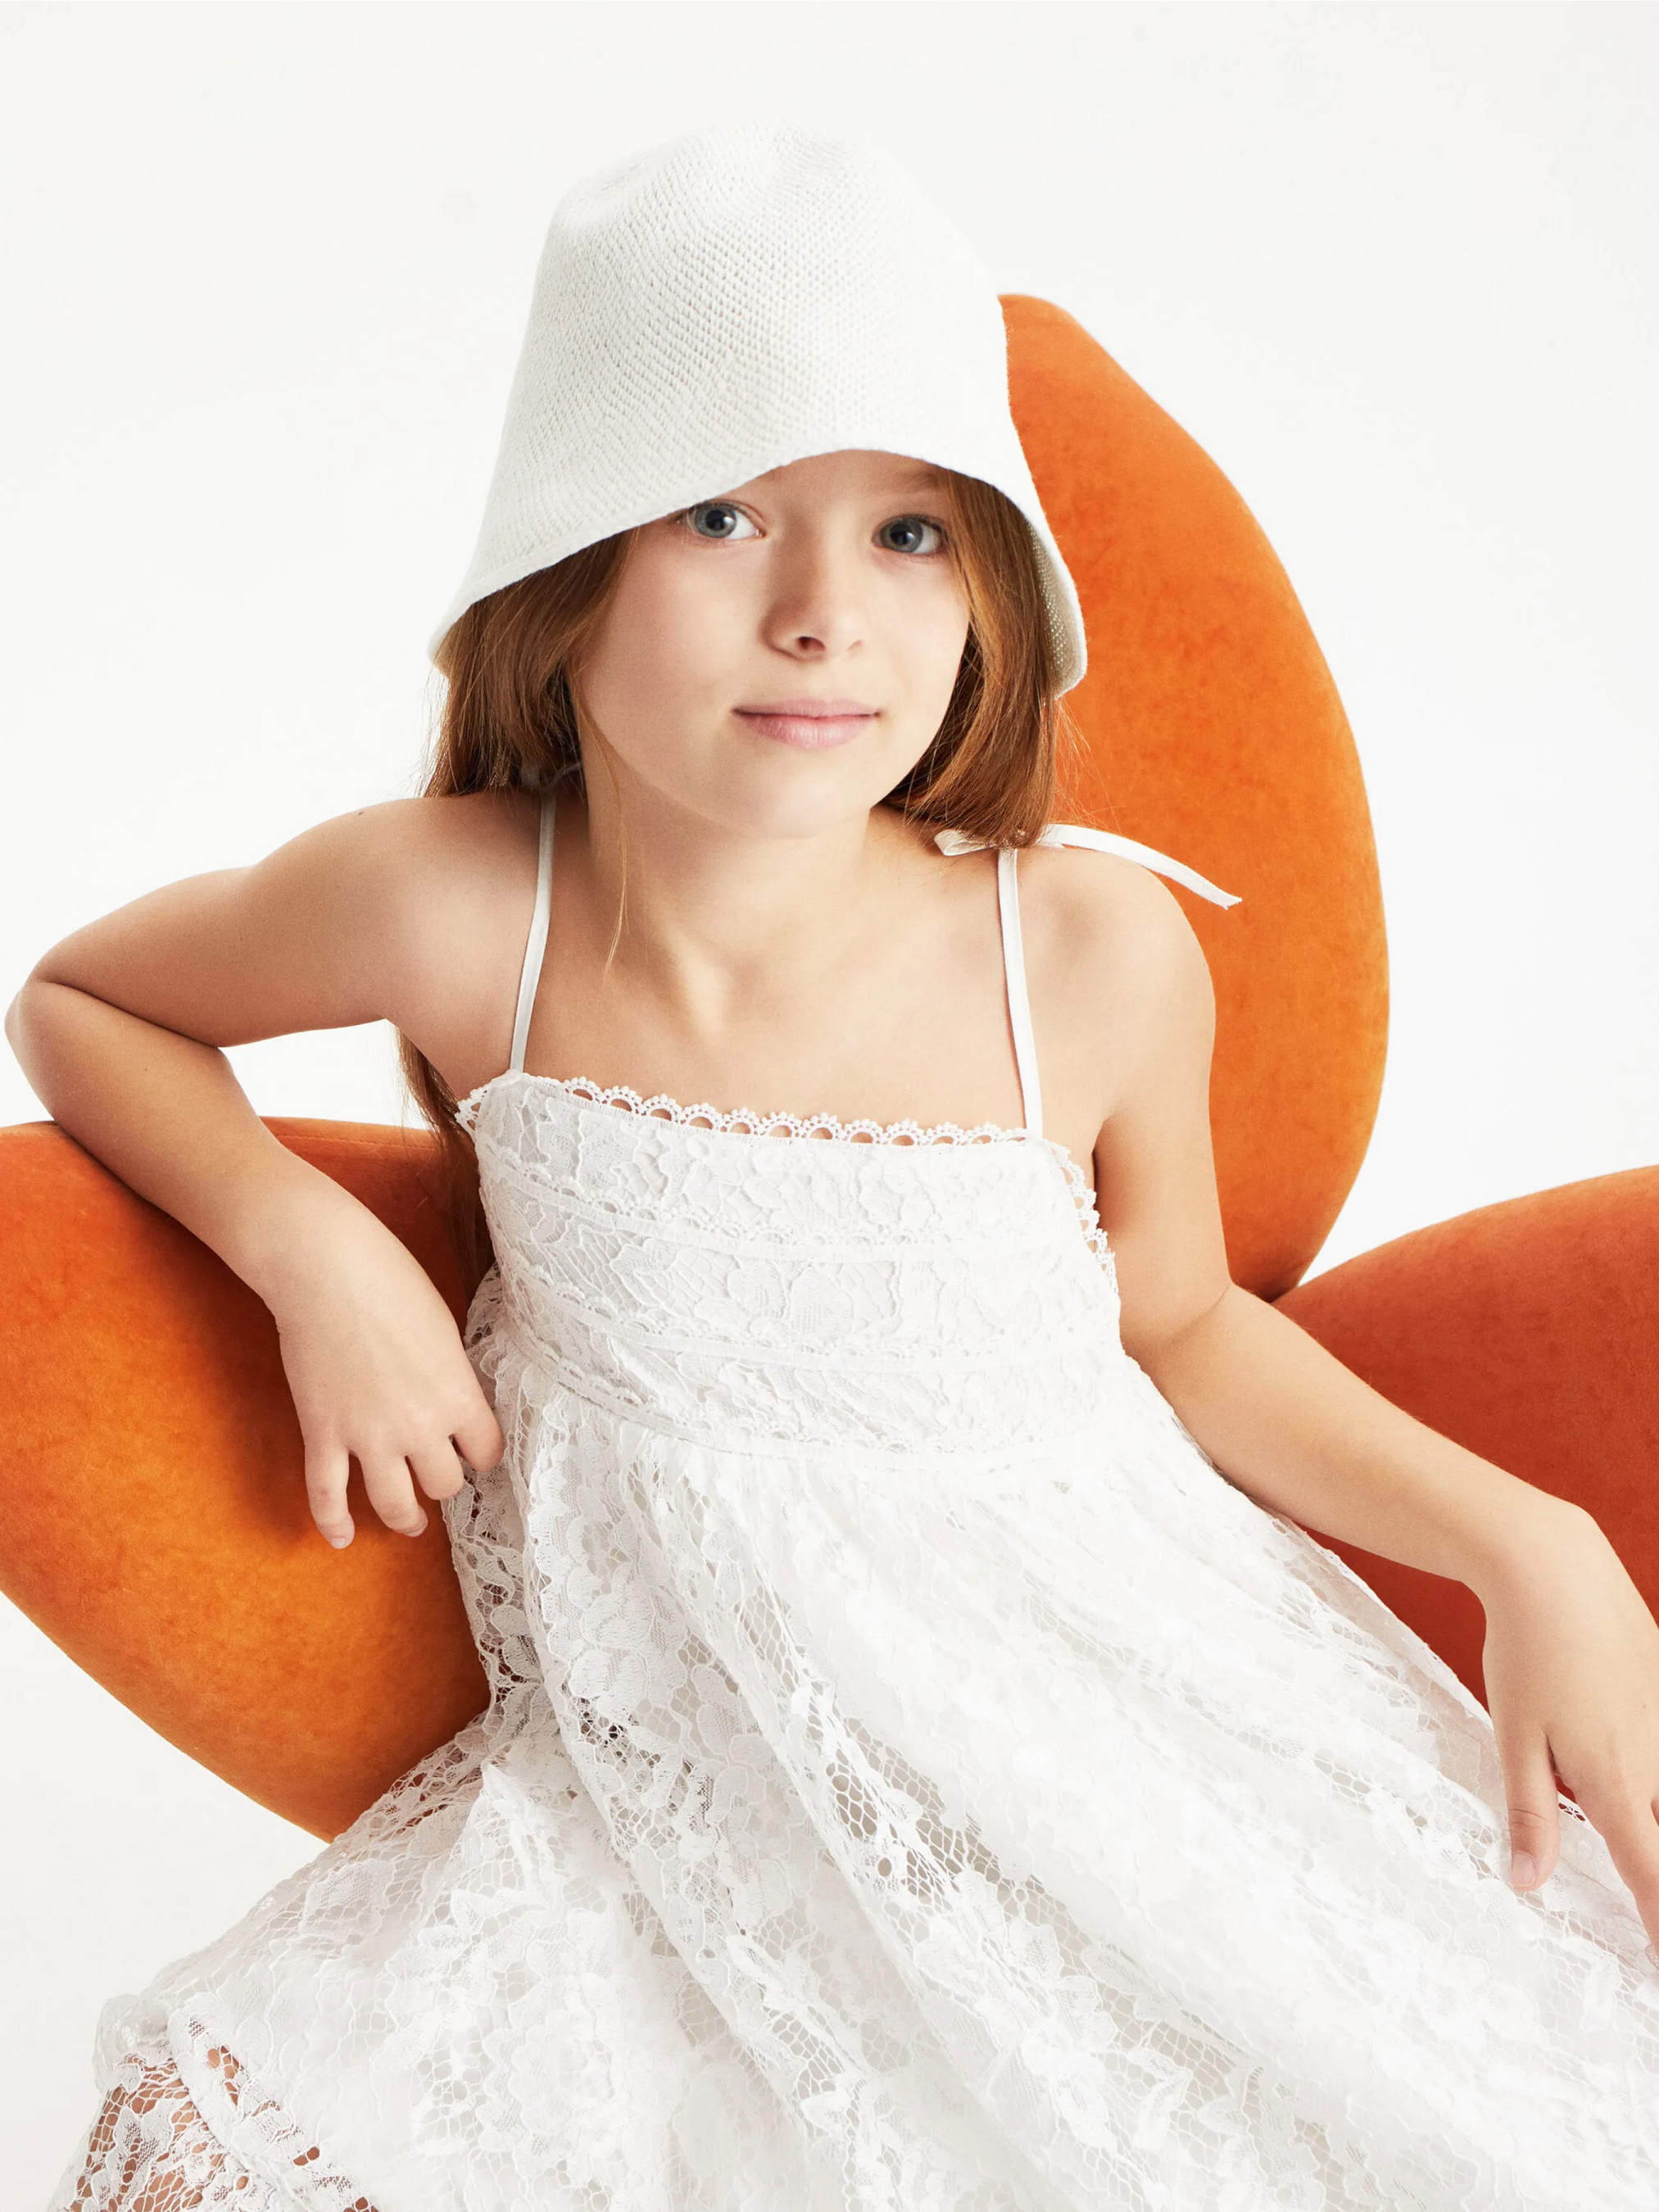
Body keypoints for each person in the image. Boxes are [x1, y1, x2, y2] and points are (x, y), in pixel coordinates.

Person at [12, 122, 1659, 2212]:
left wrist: (1528, 1543)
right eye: (721, 515)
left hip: (1121, 1719)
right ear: (565, 569)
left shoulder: (1080, 949)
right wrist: (306, 1245)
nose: (820, 616)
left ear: (987, 592)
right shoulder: (458, 910)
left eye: (906, 533)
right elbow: (83, 999)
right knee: (199, 2156)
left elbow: (1175, 1327)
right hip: (685, 1783)